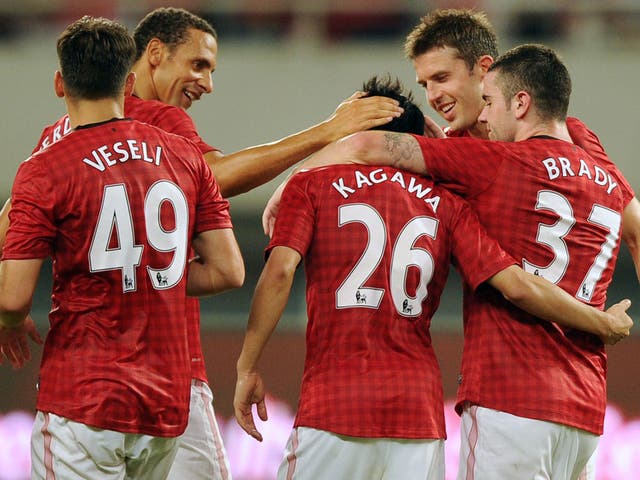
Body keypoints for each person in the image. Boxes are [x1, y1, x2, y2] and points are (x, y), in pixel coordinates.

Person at [0, 7, 405, 479]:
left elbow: (10, 222)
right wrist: (329, 132)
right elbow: (218, 181)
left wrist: (11, 307)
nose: (207, 83)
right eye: (198, 64)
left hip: (86, 382)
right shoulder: (157, 124)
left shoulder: (57, 139)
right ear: (152, 55)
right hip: (168, 375)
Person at [232, 75, 632, 480]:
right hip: (419, 416)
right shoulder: (448, 204)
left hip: (335, 403)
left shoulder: (313, 185)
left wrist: (248, 366)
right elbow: (514, 283)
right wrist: (600, 320)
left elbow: (280, 271)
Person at [0, 16, 244, 480]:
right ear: (129, 81)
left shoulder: (46, 162)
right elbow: (229, 272)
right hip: (166, 396)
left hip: (83, 392)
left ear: (59, 83)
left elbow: (13, 294)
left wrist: (8, 317)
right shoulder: (183, 152)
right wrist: (156, 273)